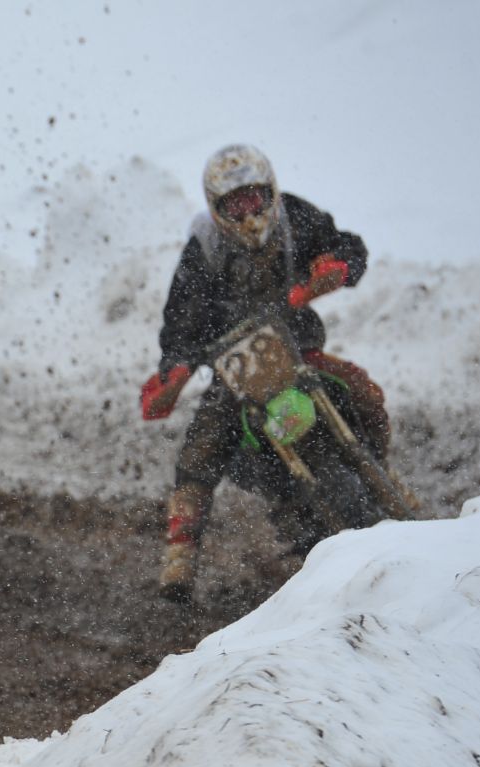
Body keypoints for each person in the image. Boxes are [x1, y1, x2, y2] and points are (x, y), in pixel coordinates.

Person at [138, 144, 391, 602]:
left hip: (300, 349)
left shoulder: (296, 218)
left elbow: (348, 245)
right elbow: (180, 323)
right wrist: (173, 373)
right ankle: (180, 556)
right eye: (235, 204)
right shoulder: (205, 248)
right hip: (238, 369)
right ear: (216, 208)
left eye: (254, 198)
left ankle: (380, 471)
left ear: (270, 191)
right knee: (202, 446)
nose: (248, 212)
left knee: (363, 390)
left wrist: (336, 267)